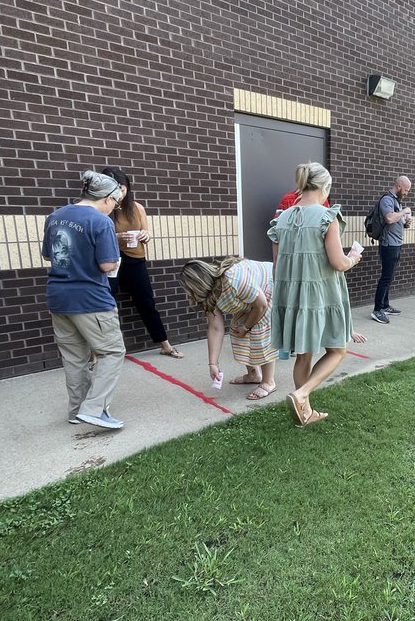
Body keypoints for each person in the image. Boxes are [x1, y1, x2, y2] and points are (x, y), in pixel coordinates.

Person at [268, 162, 363, 426]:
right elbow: (338, 263)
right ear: (324, 187)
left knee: (304, 354)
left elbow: (278, 267)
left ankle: (305, 411)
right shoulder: (326, 216)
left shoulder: (281, 219)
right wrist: (354, 256)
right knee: (338, 350)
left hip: (292, 295)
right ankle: (302, 393)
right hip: (322, 293)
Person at [42, 171, 127, 430]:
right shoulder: (100, 221)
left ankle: (77, 410)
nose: (114, 208)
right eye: (115, 202)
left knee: (74, 358)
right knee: (112, 352)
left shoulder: (55, 216)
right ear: (106, 198)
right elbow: (107, 264)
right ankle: (94, 410)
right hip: (91, 299)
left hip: (58, 298)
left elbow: (49, 255)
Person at [99, 167, 183, 359]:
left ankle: (165, 345)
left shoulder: (137, 208)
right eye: (114, 188)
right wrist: (117, 238)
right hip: (111, 261)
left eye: (122, 187)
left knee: (146, 302)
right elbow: (98, 238)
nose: (119, 192)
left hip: (135, 260)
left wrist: (145, 235)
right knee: (105, 305)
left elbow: (146, 234)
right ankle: (99, 353)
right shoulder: (103, 208)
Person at [180, 258, 278, 400]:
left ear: (197, 284)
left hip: (270, 286)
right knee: (237, 331)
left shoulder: (233, 280)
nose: (188, 294)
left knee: (259, 332)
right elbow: (215, 328)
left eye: (188, 289)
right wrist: (213, 363)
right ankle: (254, 374)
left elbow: (261, 305)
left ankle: (268, 382)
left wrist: (246, 327)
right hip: (252, 301)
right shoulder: (209, 297)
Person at [370, 175, 412, 324]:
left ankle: (385, 305)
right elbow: (388, 218)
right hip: (389, 245)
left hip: (396, 244)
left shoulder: (396, 201)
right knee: (386, 277)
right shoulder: (387, 199)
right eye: (406, 190)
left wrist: (406, 223)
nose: (407, 193)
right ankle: (377, 309)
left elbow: (396, 221)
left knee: (390, 276)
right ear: (399, 186)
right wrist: (404, 211)